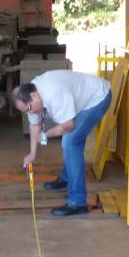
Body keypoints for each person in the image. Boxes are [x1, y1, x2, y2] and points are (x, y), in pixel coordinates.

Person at [13, 70, 112, 216]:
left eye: (29, 109)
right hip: (81, 98)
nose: (31, 112)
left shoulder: (54, 94)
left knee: (70, 143)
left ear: (33, 96)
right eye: (26, 111)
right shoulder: (34, 96)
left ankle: (78, 203)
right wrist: (32, 154)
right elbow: (35, 126)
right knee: (70, 141)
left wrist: (46, 135)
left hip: (98, 97)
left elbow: (68, 126)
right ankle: (66, 178)